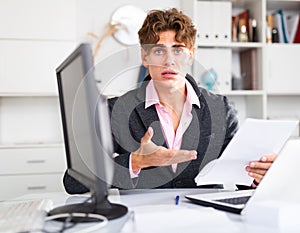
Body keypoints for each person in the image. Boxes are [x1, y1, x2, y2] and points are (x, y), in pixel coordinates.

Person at [63, 8, 276, 193]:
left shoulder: (220, 108)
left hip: (205, 219)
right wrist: (135, 161)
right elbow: (73, 182)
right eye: (158, 50)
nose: (169, 60)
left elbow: (242, 179)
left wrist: (259, 176)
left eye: (178, 49)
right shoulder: (116, 110)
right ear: (145, 57)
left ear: (190, 55)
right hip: (144, 218)